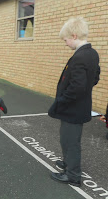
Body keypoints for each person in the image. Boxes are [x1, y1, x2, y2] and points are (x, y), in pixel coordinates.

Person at [48, 17, 100, 187]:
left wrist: (62, 101)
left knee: (70, 142)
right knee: (67, 139)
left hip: (73, 109)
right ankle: (67, 163)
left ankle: (73, 176)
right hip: (79, 106)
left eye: (66, 39)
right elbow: (95, 78)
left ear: (74, 35)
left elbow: (77, 87)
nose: (65, 43)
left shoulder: (80, 57)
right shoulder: (92, 53)